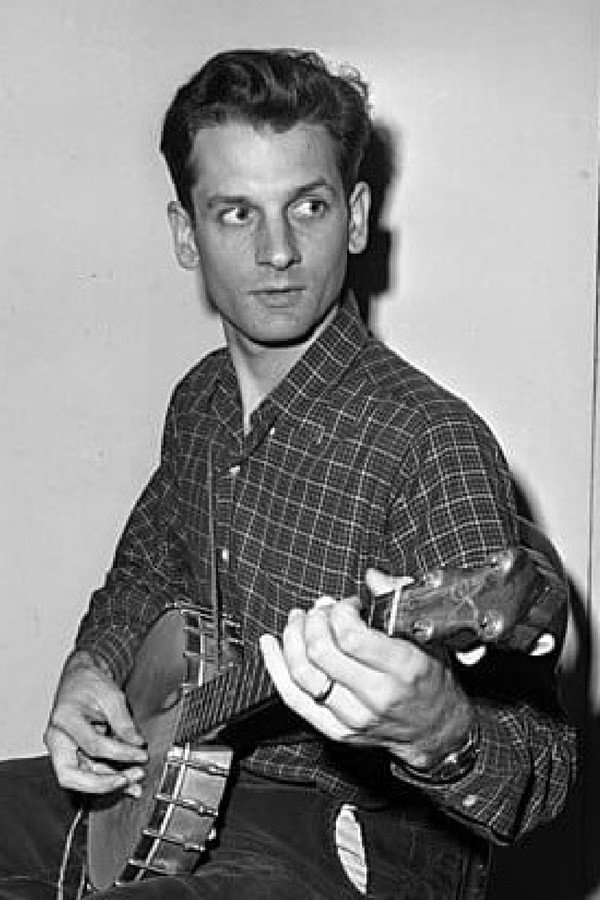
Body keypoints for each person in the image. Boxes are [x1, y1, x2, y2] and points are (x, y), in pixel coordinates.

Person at [0, 48, 575, 900]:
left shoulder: (431, 440)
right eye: (237, 214)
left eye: (307, 206)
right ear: (186, 234)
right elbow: (145, 572)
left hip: (348, 841)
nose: (277, 251)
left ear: (355, 217)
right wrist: (91, 664)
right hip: (172, 781)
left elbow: (542, 772)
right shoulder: (199, 403)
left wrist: (440, 729)